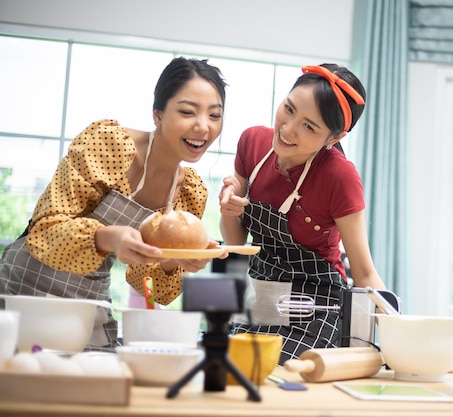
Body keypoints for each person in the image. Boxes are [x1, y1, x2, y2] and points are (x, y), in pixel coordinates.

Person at [0, 57, 227, 351]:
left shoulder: (189, 193)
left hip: (89, 299)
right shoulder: (108, 144)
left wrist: (176, 260)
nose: (202, 127)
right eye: (187, 112)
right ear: (157, 115)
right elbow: (44, 231)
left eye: (215, 115)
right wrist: (107, 237)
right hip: (27, 288)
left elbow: (152, 290)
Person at [218, 63, 387, 363]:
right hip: (258, 303)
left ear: (333, 139)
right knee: (226, 370)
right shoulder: (252, 143)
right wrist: (230, 208)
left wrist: (409, 340)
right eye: (289, 108)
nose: (288, 128)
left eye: (309, 126)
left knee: (274, 381)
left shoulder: (339, 176)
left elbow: (364, 273)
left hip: (314, 312)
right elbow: (236, 244)